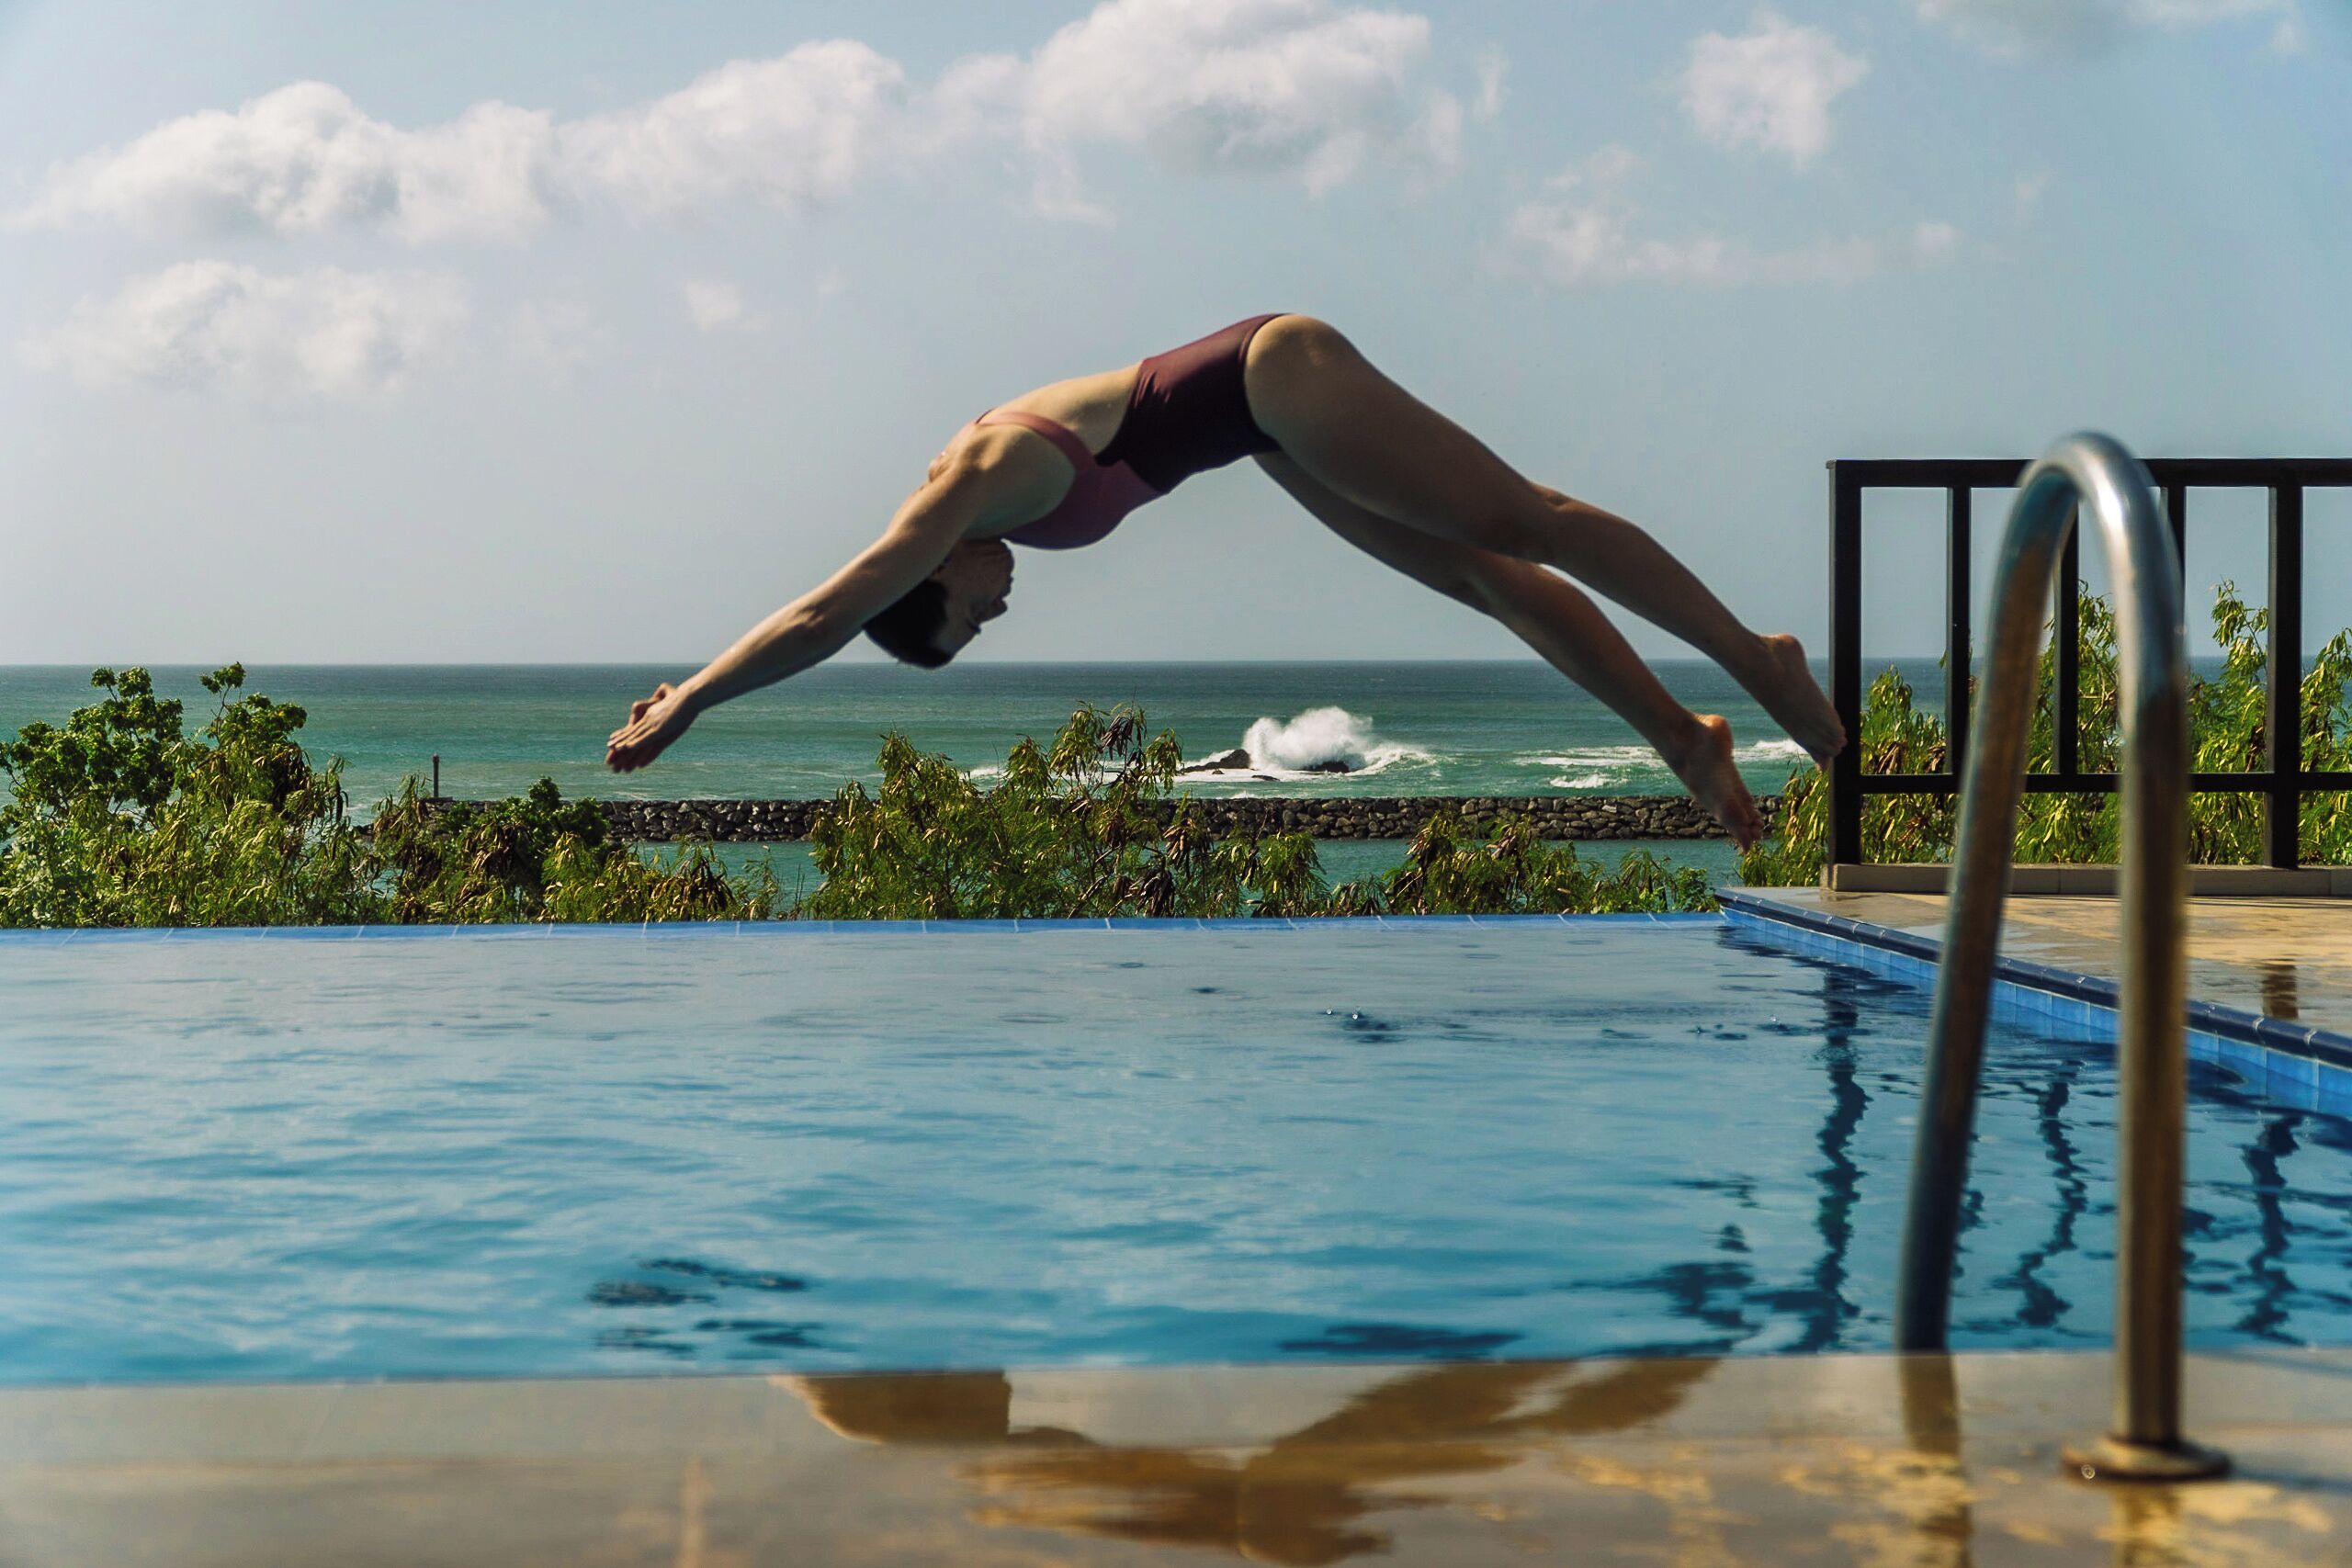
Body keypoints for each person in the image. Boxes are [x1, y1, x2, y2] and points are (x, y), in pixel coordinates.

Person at [604, 313, 1844, 848]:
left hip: (1273, 378)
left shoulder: (966, 490)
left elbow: (828, 609)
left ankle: (1753, 655)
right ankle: (1684, 736)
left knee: (1522, 519)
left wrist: (696, 699)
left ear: (930, 581)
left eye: (971, 619)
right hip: (1265, 435)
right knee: (1484, 580)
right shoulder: (992, 517)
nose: (998, 609)